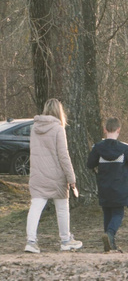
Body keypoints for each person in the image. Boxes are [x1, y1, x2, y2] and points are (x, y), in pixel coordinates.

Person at [24, 98, 83, 253]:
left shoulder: (34, 128)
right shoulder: (58, 129)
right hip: (56, 176)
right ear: (59, 112)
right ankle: (65, 240)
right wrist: (72, 178)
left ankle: (31, 241)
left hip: (37, 175)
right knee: (62, 209)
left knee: (35, 207)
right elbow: (63, 156)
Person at [87, 117, 128, 252]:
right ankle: (110, 234)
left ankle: (110, 244)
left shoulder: (98, 148)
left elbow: (89, 164)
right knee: (118, 213)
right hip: (120, 187)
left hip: (104, 186)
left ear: (105, 130)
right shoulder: (125, 148)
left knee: (107, 212)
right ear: (119, 130)